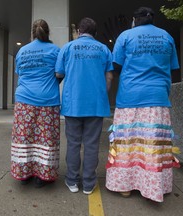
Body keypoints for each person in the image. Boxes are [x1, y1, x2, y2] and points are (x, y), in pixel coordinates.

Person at [105, 7, 180, 202]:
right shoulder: (167, 37)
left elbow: (117, 65)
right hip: (157, 97)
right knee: (153, 144)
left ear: (134, 20)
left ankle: (125, 187)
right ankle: (154, 187)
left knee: (127, 142)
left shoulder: (126, 36)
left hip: (130, 96)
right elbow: (172, 67)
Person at [55, 17, 113, 195]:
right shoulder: (104, 49)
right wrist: (103, 94)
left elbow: (58, 73)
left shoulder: (68, 47)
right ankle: (88, 184)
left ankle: (72, 181)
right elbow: (110, 76)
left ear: (79, 31)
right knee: (92, 144)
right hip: (96, 104)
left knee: (73, 143)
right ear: (94, 33)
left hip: (73, 103)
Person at [11, 19, 61, 188]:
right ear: (48, 32)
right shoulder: (55, 50)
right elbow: (60, 74)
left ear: (32, 33)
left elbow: (20, 74)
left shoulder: (22, 52)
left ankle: (24, 173)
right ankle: (42, 176)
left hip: (24, 101)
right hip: (48, 101)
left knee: (25, 137)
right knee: (46, 140)